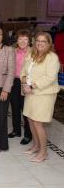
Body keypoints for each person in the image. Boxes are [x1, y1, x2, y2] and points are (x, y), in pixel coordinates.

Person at [20, 32, 60, 162]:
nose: (40, 43)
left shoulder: (52, 57)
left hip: (44, 94)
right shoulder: (31, 54)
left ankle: (44, 152)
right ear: (34, 41)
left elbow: (50, 77)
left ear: (49, 43)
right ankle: (36, 146)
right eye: (38, 40)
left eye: (44, 41)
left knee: (37, 122)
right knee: (31, 120)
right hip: (30, 92)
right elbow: (23, 71)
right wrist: (25, 82)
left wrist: (32, 86)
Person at [8, 29, 32, 145]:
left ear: (29, 41)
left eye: (25, 39)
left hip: (27, 83)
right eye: (20, 39)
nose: (22, 41)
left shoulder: (33, 52)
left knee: (25, 109)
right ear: (16, 40)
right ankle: (16, 130)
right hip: (14, 82)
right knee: (15, 107)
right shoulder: (13, 51)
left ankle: (28, 134)